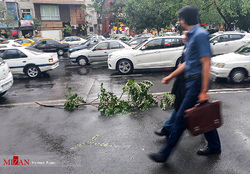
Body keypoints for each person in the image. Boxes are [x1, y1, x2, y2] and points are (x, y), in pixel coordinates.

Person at [148, 5, 221, 163]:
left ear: (184, 19)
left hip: (196, 82)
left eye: (180, 18)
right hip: (190, 81)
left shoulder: (200, 35)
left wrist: (203, 90)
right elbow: (187, 63)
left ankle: (164, 153)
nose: (180, 21)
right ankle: (215, 146)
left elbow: (206, 63)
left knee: (181, 118)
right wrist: (169, 76)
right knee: (203, 113)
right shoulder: (191, 36)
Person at [154, 32, 187, 138]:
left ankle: (167, 129)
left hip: (189, 83)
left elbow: (187, 65)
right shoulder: (187, 46)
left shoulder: (194, 47)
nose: (184, 37)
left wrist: (170, 76)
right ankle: (168, 129)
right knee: (184, 108)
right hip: (184, 82)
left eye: (186, 35)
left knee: (181, 108)